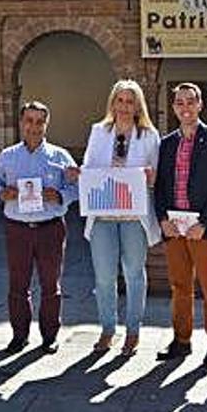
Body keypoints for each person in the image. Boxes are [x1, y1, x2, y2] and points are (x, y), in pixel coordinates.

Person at [69, 80, 160, 357]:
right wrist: (78, 173)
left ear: (137, 106)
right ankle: (108, 328)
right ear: (112, 103)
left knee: (134, 273)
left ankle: (133, 330)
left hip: (134, 216)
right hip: (103, 214)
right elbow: (89, 166)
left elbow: (156, 176)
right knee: (104, 276)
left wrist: (150, 176)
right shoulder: (99, 132)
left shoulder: (149, 135)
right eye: (119, 100)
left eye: (129, 101)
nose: (123, 106)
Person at [0, 101, 78, 355]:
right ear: (21, 122)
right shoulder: (7, 156)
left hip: (50, 228)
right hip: (18, 229)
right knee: (18, 284)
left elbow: (77, 188)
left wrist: (59, 196)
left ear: (46, 124)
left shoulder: (60, 157)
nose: (34, 127)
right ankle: (19, 335)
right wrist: (4, 193)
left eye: (39, 122)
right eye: (29, 120)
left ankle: (50, 336)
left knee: (51, 284)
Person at [154, 82, 207, 367]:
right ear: (174, 108)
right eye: (180, 102)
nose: (185, 107)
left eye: (190, 101)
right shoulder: (166, 144)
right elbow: (160, 187)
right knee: (179, 286)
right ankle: (181, 340)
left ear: (199, 105)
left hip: (204, 229)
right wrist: (163, 219)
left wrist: (205, 222)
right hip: (175, 228)